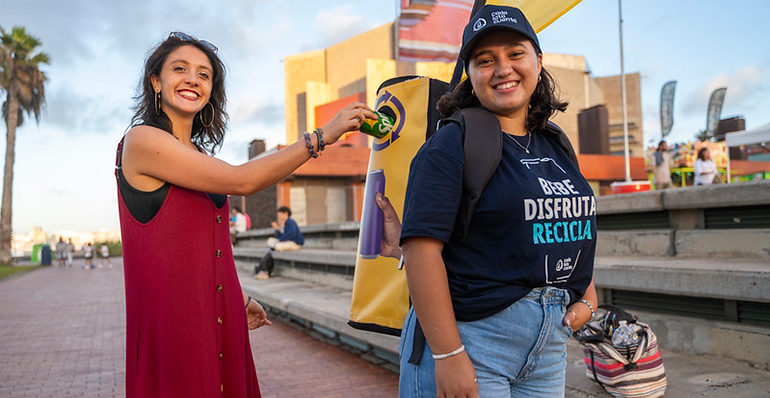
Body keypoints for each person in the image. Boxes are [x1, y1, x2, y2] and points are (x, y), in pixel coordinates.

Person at [116, 32, 375, 398]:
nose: (193, 79)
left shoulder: (199, 159)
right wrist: (321, 136)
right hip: (175, 327)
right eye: (180, 69)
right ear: (156, 81)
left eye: (204, 75)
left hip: (217, 318)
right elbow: (242, 180)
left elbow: (207, 247)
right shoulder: (141, 141)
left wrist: (236, 300)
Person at [392, 6, 598, 397]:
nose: (503, 68)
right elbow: (420, 250)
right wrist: (449, 354)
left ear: (538, 60)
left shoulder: (555, 143)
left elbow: (572, 224)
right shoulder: (452, 143)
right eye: (485, 60)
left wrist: (588, 298)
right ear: (471, 74)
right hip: (473, 341)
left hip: (547, 349)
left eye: (515, 53)